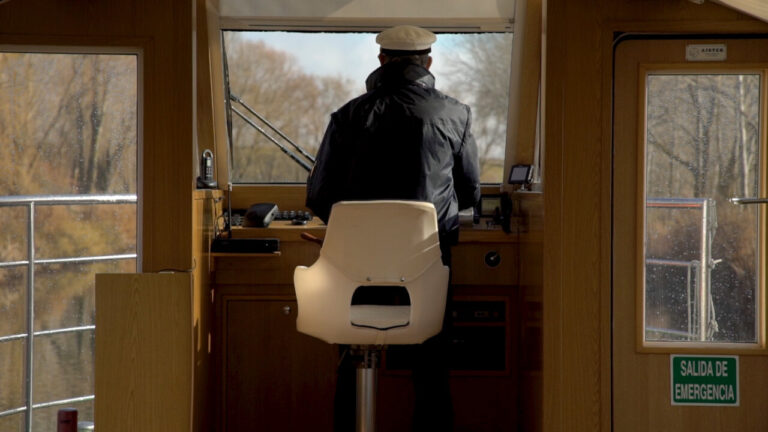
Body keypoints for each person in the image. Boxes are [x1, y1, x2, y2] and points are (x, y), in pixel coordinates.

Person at [305, 25, 481, 431]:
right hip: (424, 276)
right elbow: (470, 194)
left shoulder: (348, 115)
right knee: (432, 362)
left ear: (381, 62)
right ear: (429, 63)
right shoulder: (457, 114)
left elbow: (319, 198)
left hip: (353, 281)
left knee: (351, 353)